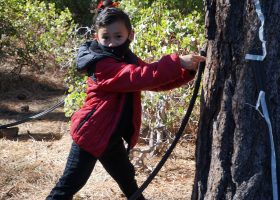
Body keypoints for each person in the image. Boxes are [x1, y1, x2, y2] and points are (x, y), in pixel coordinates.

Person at [46, 0, 205, 199]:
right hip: (91, 135)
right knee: (69, 186)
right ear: (97, 37)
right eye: (106, 38)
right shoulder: (102, 63)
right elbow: (140, 76)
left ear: (130, 35)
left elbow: (153, 81)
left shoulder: (127, 59)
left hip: (110, 138)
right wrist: (176, 61)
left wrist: (185, 71)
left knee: (129, 182)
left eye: (118, 36)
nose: (112, 42)